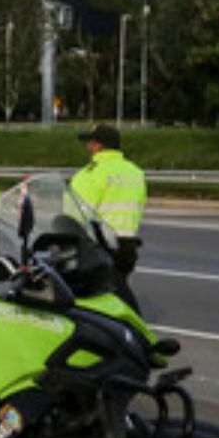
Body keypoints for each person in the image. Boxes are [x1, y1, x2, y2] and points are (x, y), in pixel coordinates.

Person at [72, 123, 147, 310]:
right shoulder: (135, 172)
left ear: (99, 146)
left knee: (95, 301)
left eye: (90, 143)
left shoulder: (90, 174)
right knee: (116, 293)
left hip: (101, 246)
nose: (88, 147)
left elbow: (74, 214)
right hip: (128, 246)